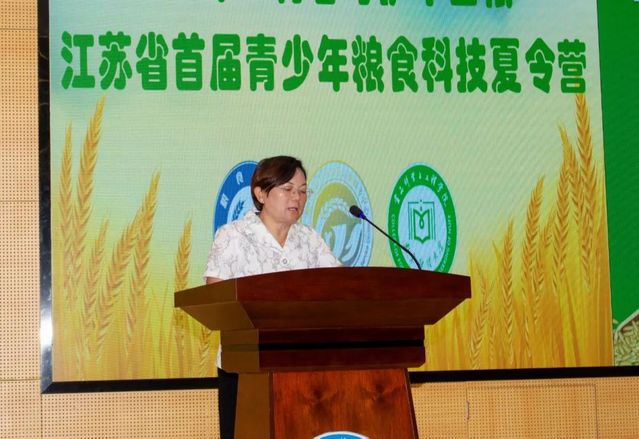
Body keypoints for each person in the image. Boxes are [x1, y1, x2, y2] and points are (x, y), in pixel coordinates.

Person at [203, 155, 341, 438]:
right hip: (245, 369)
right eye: (288, 189)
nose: (297, 197)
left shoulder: (310, 239)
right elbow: (217, 299)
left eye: (303, 191)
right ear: (261, 194)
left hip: (304, 368)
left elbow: (342, 290)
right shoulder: (233, 236)